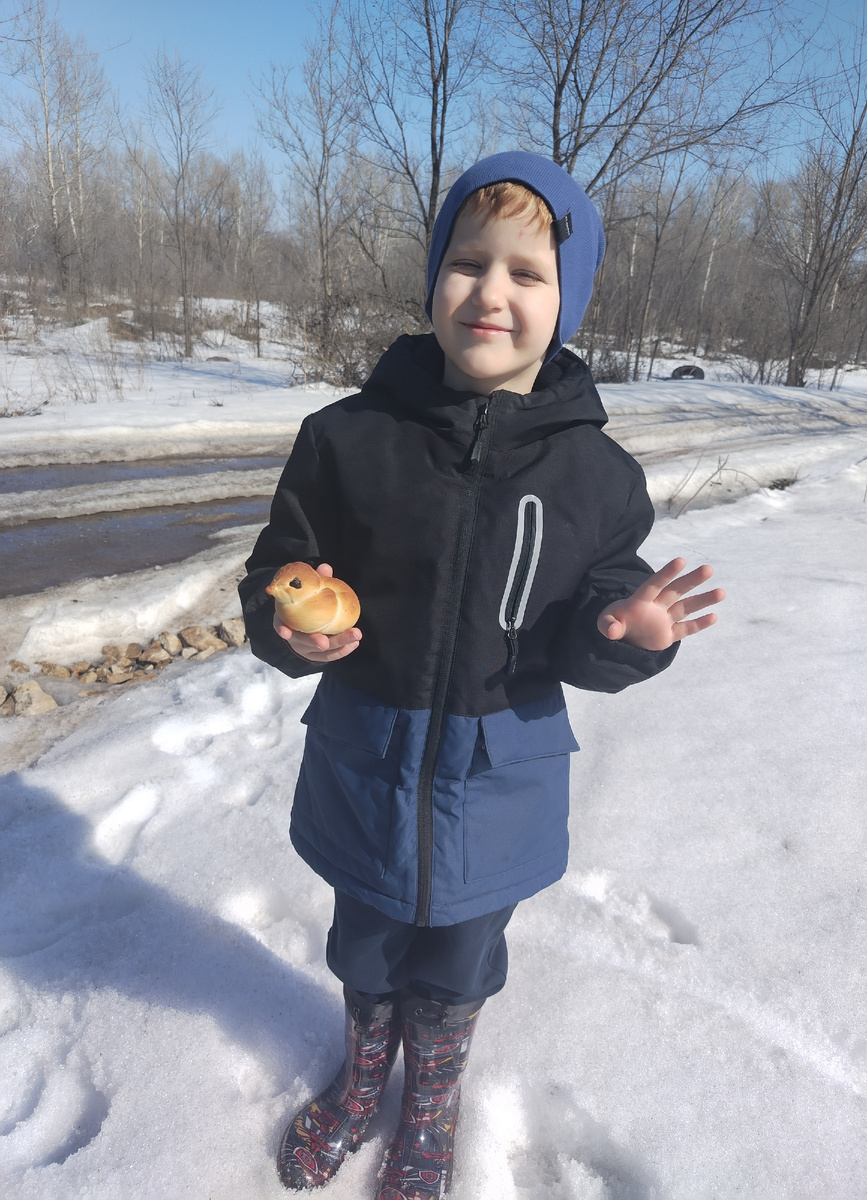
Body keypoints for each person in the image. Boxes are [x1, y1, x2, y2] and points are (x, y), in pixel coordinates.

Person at [239, 151, 725, 1199]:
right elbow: (273, 575)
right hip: (369, 765)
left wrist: (630, 630)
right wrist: (294, 627)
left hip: (496, 784)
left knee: (459, 960)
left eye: (528, 273)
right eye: (468, 262)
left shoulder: (598, 474)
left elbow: (588, 625)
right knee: (364, 947)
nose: (491, 292)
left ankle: (434, 1103)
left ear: (569, 301)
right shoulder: (346, 438)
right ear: (433, 279)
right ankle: (365, 1076)